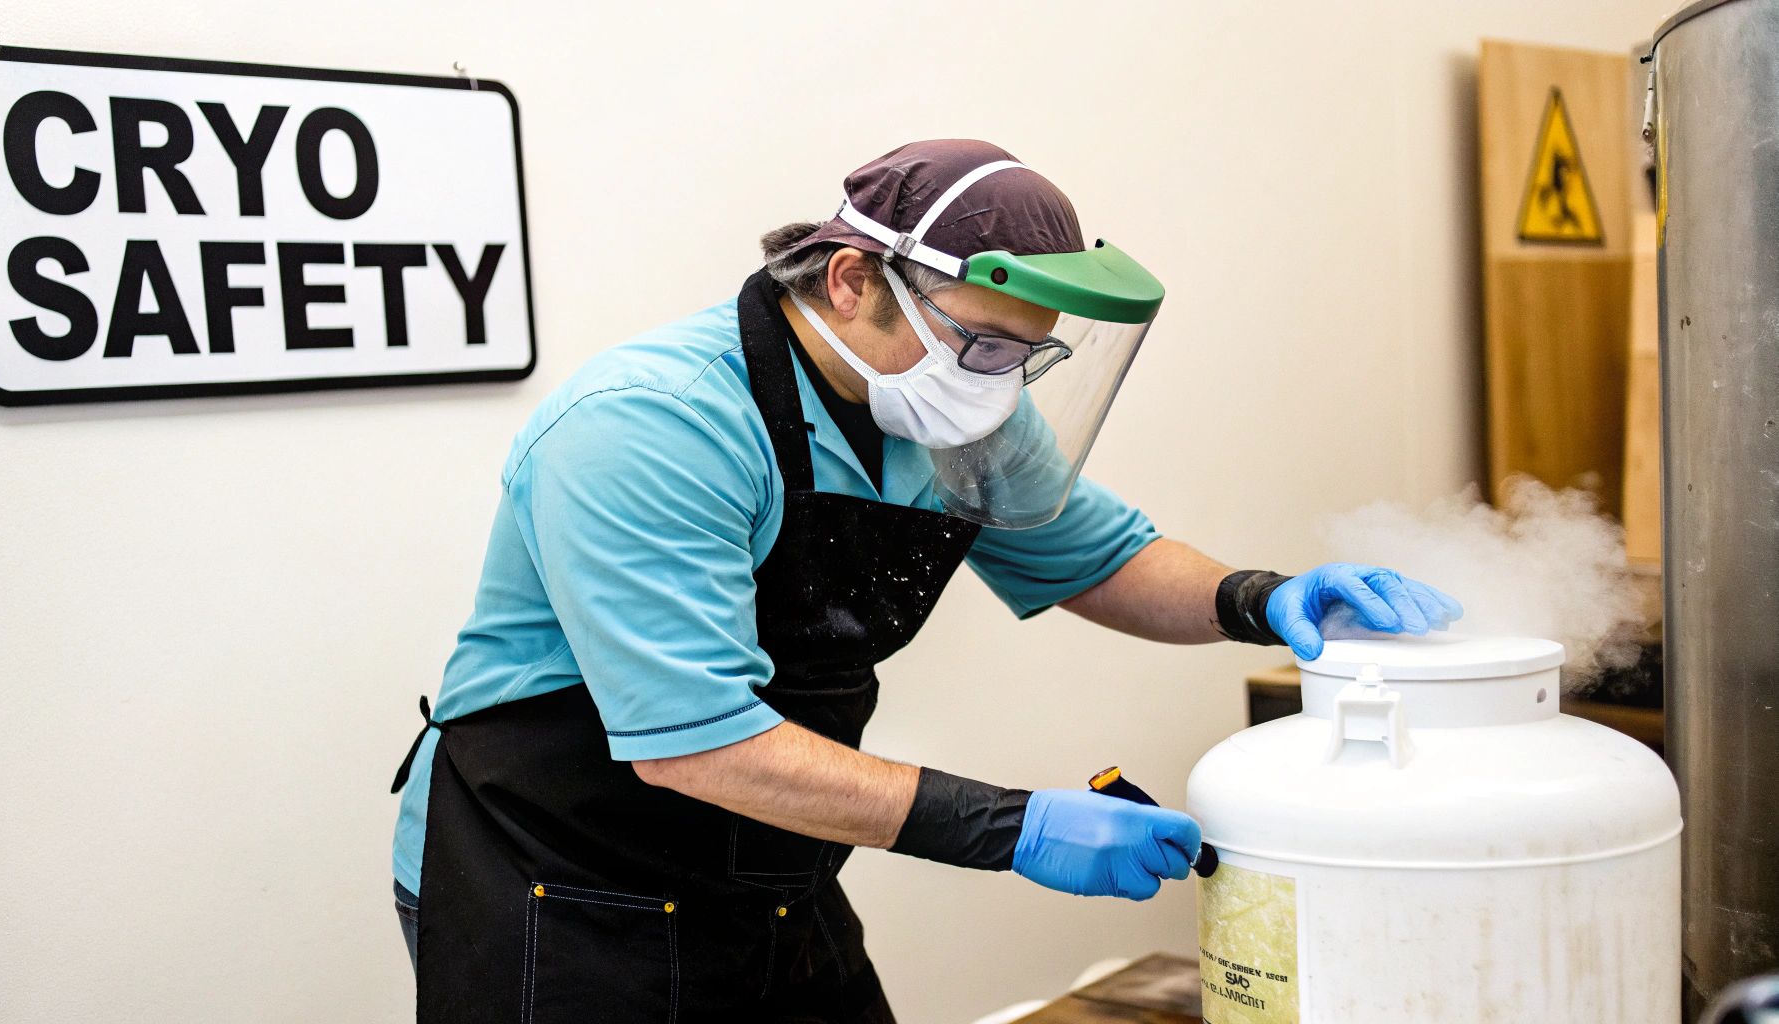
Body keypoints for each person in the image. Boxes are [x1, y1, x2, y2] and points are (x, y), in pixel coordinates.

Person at [387, 139, 1460, 1023]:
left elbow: (1096, 555)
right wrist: (1011, 828)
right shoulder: (655, 426)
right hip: (567, 873)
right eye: (981, 344)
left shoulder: (946, 408)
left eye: (1023, 357)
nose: (997, 386)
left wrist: (1260, 597)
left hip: (769, 865)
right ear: (853, 282)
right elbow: (694, 740)